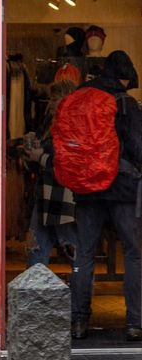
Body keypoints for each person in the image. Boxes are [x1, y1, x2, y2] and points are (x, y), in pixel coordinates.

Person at [69, 51, 142, 341]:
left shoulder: (81, 97)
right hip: (123, 188)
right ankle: (135, 322)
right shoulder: (125, 103)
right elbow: (138, 146)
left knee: (84, 253)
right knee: (134, 253)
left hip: (88, 188)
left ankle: (78, 321)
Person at [24, 80, 78, 268]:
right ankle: (33, 293)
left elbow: (68, 163)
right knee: (37, 246)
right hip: (48, 194)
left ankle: (80, 293)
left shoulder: (72, 125)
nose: (51, 103)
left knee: (72, 248)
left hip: (62, 195)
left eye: (55, 99)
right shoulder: (53, 122)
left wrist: (40, 157)